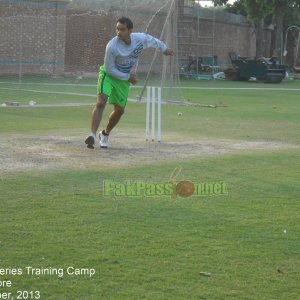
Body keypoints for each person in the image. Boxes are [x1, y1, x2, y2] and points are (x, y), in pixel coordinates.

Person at [85, 16, 174, 149]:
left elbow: (153, 41)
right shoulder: (111, 46)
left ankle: (105, 133)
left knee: (119, 110)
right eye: (117, 29)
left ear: (130, 30)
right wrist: (127, 77)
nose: (118, 32)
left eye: (122, 29)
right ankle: (92, 135)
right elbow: (109, 69)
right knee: (100, 102)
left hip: (124, 79)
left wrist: (164, 49)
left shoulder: (139, 39)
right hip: (109, 75)